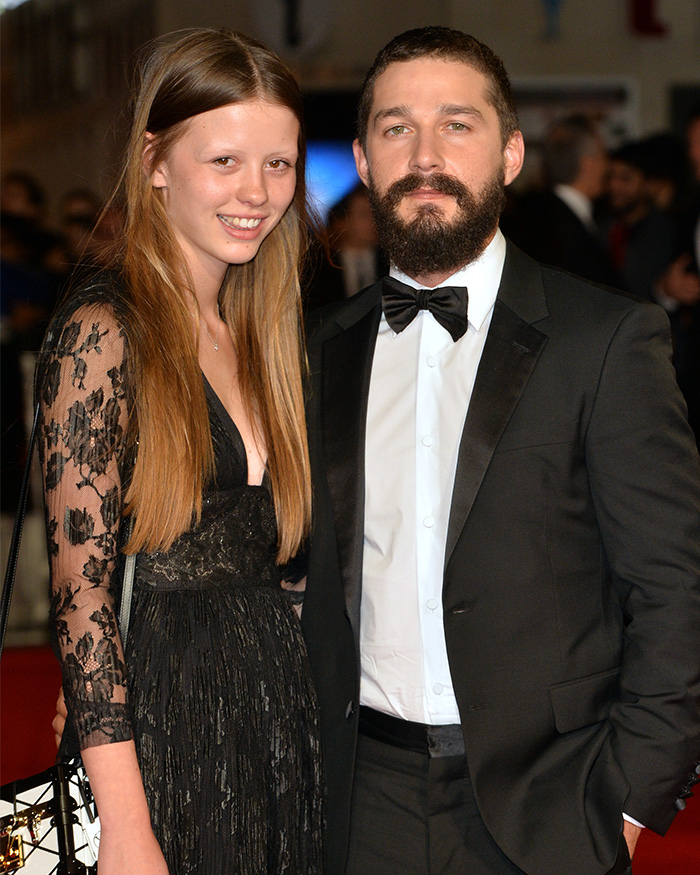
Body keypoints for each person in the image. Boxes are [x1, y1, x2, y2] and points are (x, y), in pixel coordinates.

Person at [301, 26, 700, 875]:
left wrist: (630, 800)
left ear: (512, 154)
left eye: (458, 124)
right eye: (395, 128)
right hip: (356, 801)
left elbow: (675, 585)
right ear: (364, 161)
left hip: (552, 806)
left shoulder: (607, 340)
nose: (425, 154)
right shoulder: (316, 351)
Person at [37, 28, 323, 874]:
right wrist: (125, 822)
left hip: (277, 712)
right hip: (164, 726)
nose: (258, 192)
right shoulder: (104, 332)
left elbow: (289, 560)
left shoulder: (268, 334)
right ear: (156, 160)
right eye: (226, 161)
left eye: (280, 164)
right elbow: (80, 593)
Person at [502, 114, 620, 286]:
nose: (608, 166)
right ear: (588, 164)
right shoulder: (561, 228)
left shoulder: (530, 214)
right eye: (604, 157)